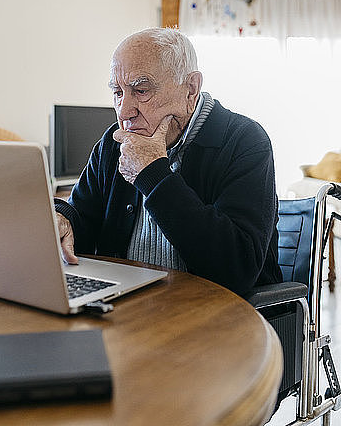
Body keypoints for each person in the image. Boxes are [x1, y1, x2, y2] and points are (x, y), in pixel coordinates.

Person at [55, 28, 282, 297]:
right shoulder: (113, 143)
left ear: (191, 89)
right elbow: (82, 218)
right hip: (128, 309)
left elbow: (236, 269)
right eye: (118, 92)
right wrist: (64, 219)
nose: (124, 111)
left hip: (217, 315)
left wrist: (153, 174)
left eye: (141, 90)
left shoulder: (244, 140)